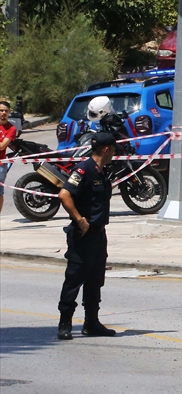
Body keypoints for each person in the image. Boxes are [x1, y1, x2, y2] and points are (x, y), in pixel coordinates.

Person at [57, 131, 118, 340]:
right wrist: (79, 219)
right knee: (74, 279)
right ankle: (65, 322)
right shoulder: (84, 170)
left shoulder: (102, 171)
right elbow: (64, 195)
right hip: (83, 236)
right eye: (114, 149)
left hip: (99, 235)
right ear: (106, 149)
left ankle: (91, 322)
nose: (115, 153)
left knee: (95, 280)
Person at [0, 100, 16, 218]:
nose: (3, 113)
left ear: (9, 112)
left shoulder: (11, 129)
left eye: (6, 111)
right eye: (1, 110)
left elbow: (2, 146)